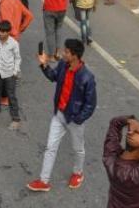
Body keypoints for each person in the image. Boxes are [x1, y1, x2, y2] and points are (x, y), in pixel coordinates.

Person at [28, 39, 97, 192]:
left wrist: (78, 119)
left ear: (75, 55)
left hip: (74, 120)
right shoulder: (62, 66)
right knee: (50, 147)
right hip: (59, 115)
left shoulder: (87, 77)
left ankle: (78, 173)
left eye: (66, 52)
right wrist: (44, 64)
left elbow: (90, 104)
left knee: (78, 149)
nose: (63, 53)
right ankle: (43, 180)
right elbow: (53, 76)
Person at [0, 21, 22, 130]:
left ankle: (16, 118)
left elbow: (17, 58)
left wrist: (15, 71)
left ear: (8, 32)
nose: (1, 34)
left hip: (9, 73)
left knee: (11, 95)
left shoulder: (13, 43)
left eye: (3, 32)